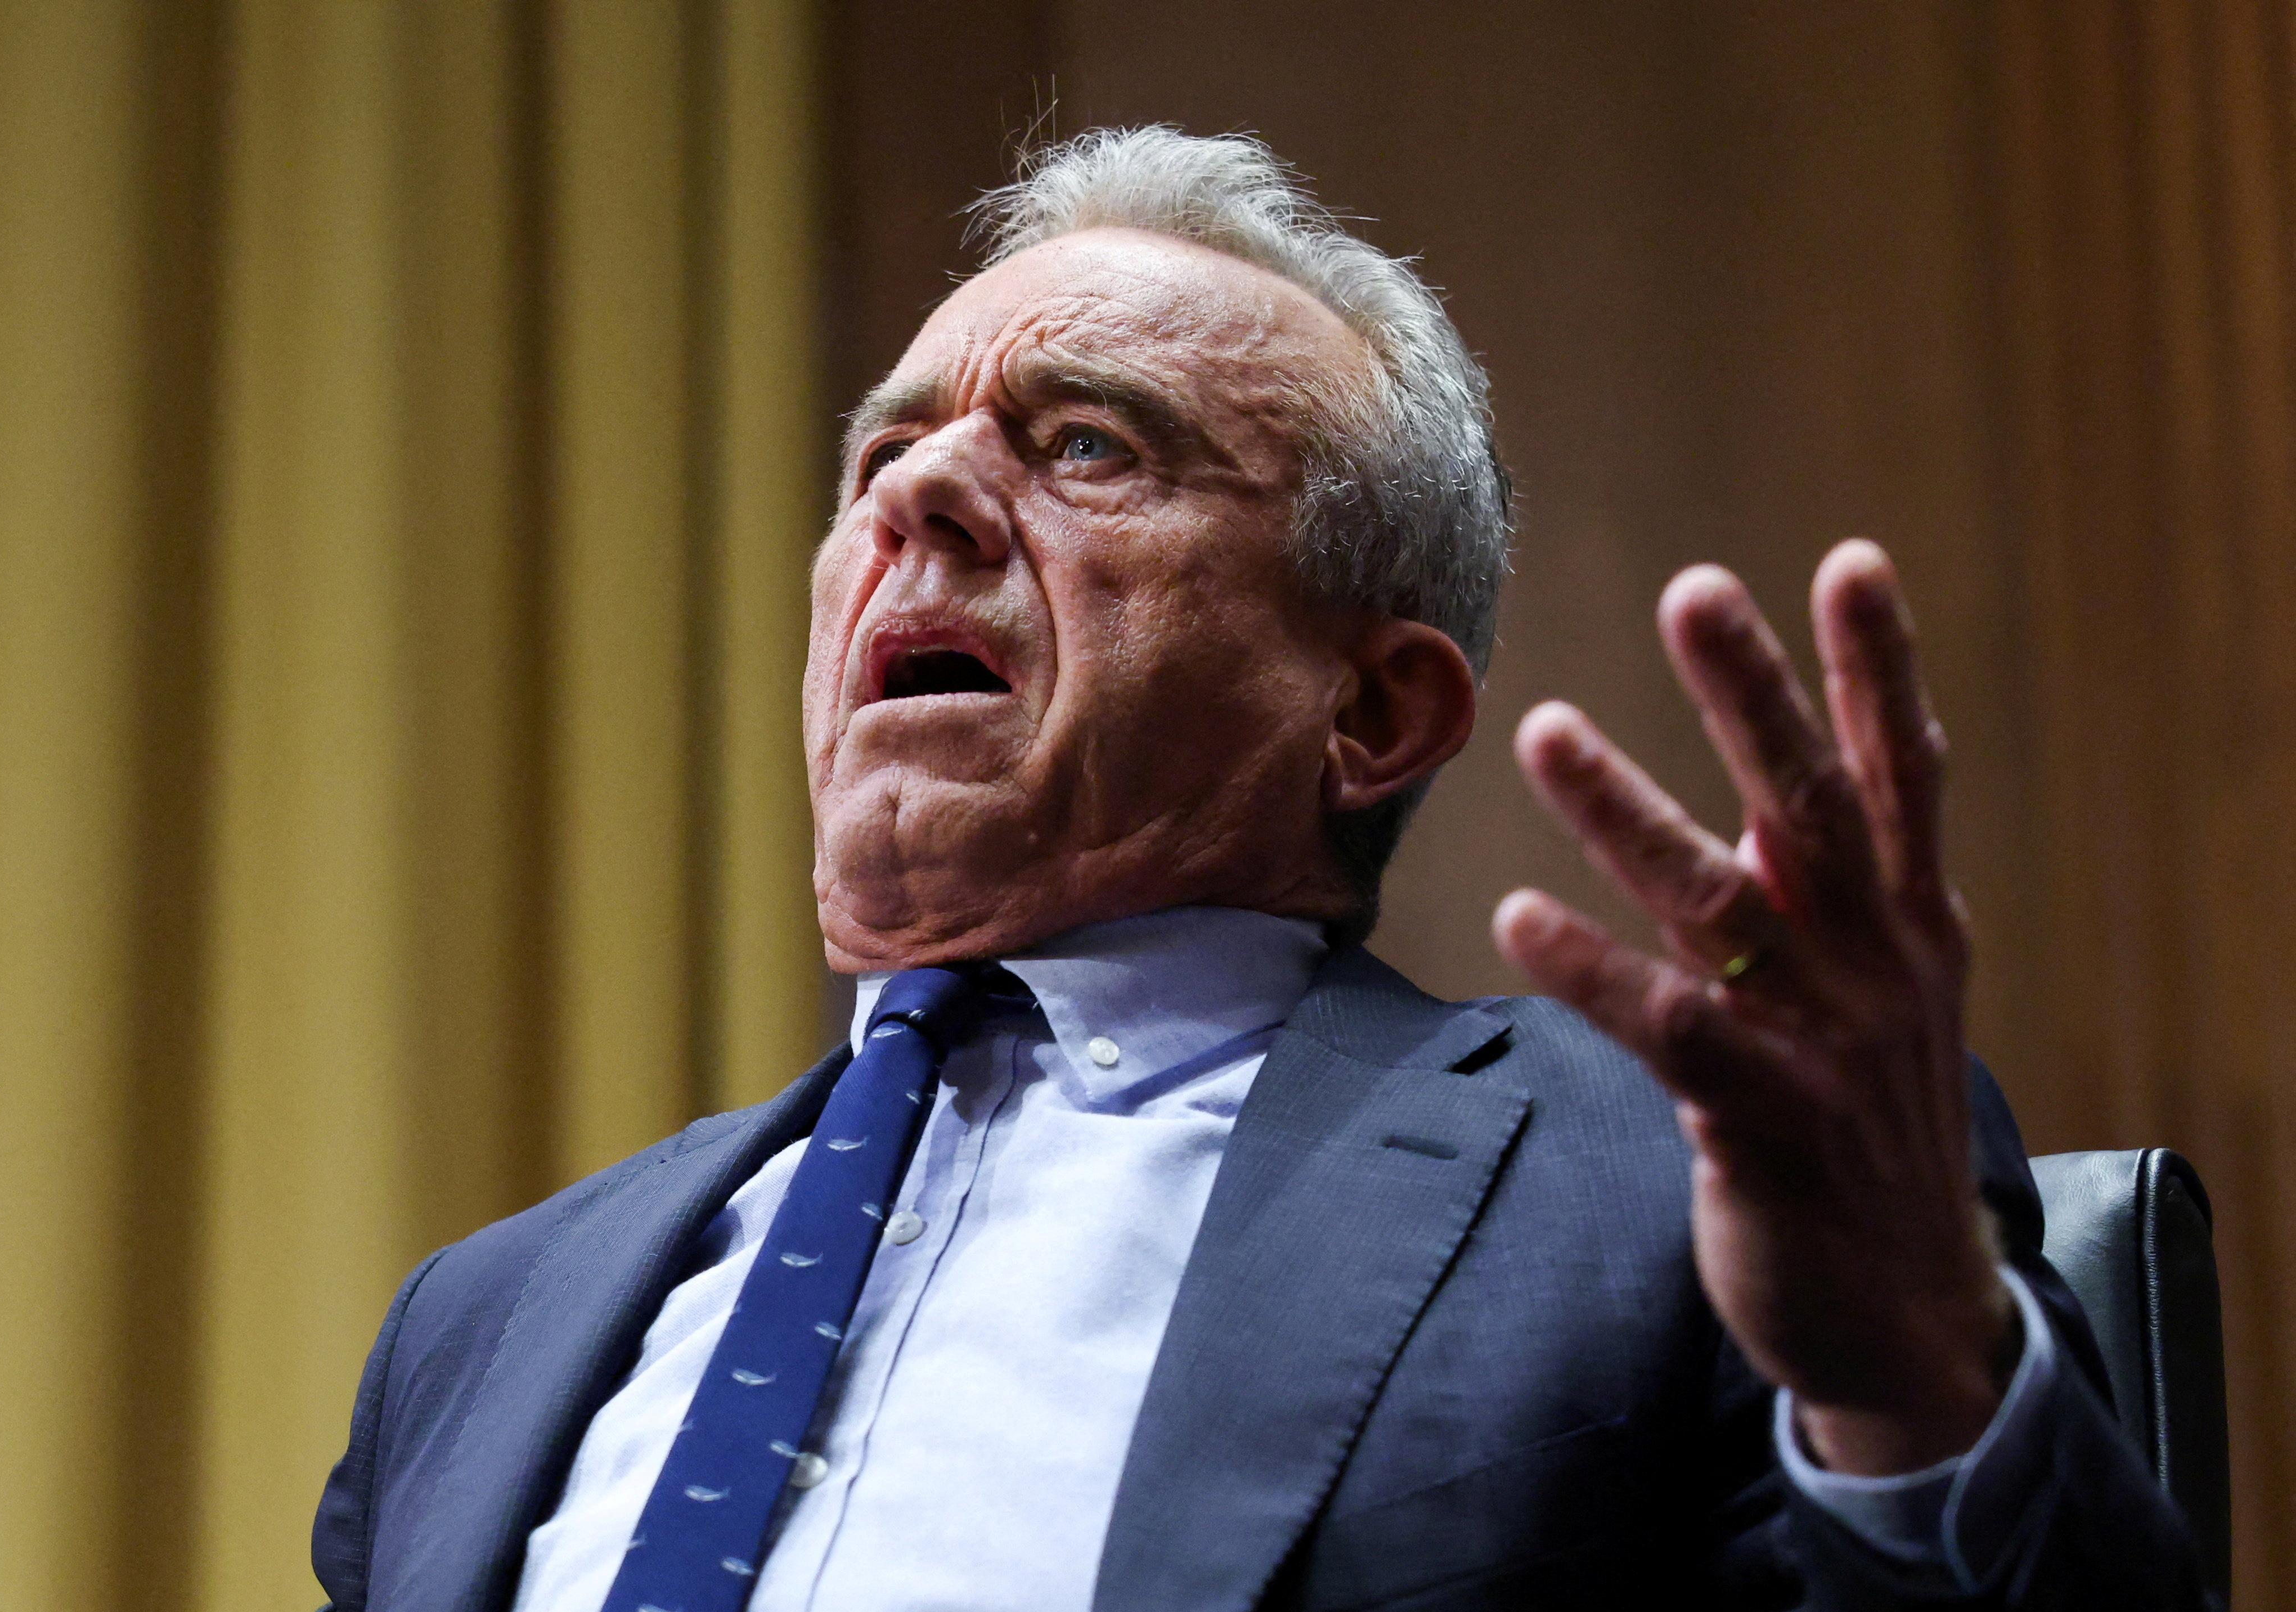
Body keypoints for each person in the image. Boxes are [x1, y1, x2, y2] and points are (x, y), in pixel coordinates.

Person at [311, 128, 2206, 1611]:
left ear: (1370, 711)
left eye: (1083, 444)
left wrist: (1911, 1379)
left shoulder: (1665, 1184)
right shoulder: (488, 1319)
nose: (917, 497)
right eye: (884, 452)